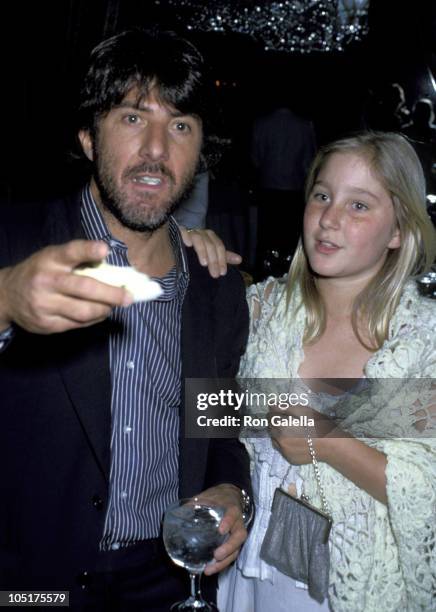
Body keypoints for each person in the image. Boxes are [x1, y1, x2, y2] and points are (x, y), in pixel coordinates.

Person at [0, 29, 252, 611]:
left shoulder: (216, 290)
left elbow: (221, 426)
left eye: (181, 125)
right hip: (30, 582)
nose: (158, 150)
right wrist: (7, 299)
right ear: (89, 136)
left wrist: (231, 488)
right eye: (134, 118)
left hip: (164, 583)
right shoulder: (14, 242)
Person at [194, 131, 436, 611]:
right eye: (322, 196)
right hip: (252, 575)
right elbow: (202, 416)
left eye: (359, 205)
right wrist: (178, 247)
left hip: (356, 587)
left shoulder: (422, 341)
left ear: (398, 232)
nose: (329, 218)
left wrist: (324, 440)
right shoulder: (258, 310)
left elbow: (426, 485)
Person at [251, 104, 317, 279]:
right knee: (289, 239)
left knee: (267, 237)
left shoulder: (262, 123)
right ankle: (289, 276)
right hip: (293, 189)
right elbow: (309, 162)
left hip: (269, 188)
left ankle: (264, 277)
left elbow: (256, 158)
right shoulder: (304, 125)